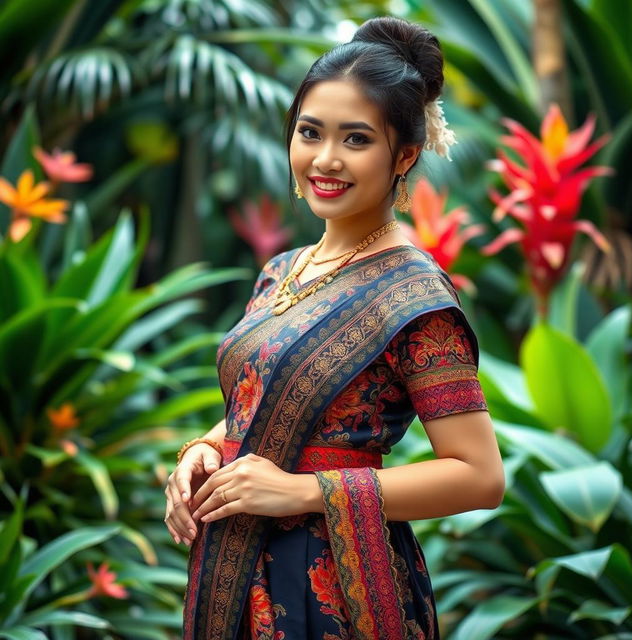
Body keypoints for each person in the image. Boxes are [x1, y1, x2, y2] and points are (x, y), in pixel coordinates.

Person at [164, 15, 504, 640]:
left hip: (334, 588)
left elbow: (479, 476)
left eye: (355, 140)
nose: (325, 159)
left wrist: (302, 492)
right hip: (233, 570)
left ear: (404, 154)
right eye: (310, 132)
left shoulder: (416, 298)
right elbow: (260, 403)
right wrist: (205, 449)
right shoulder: (282, 271)